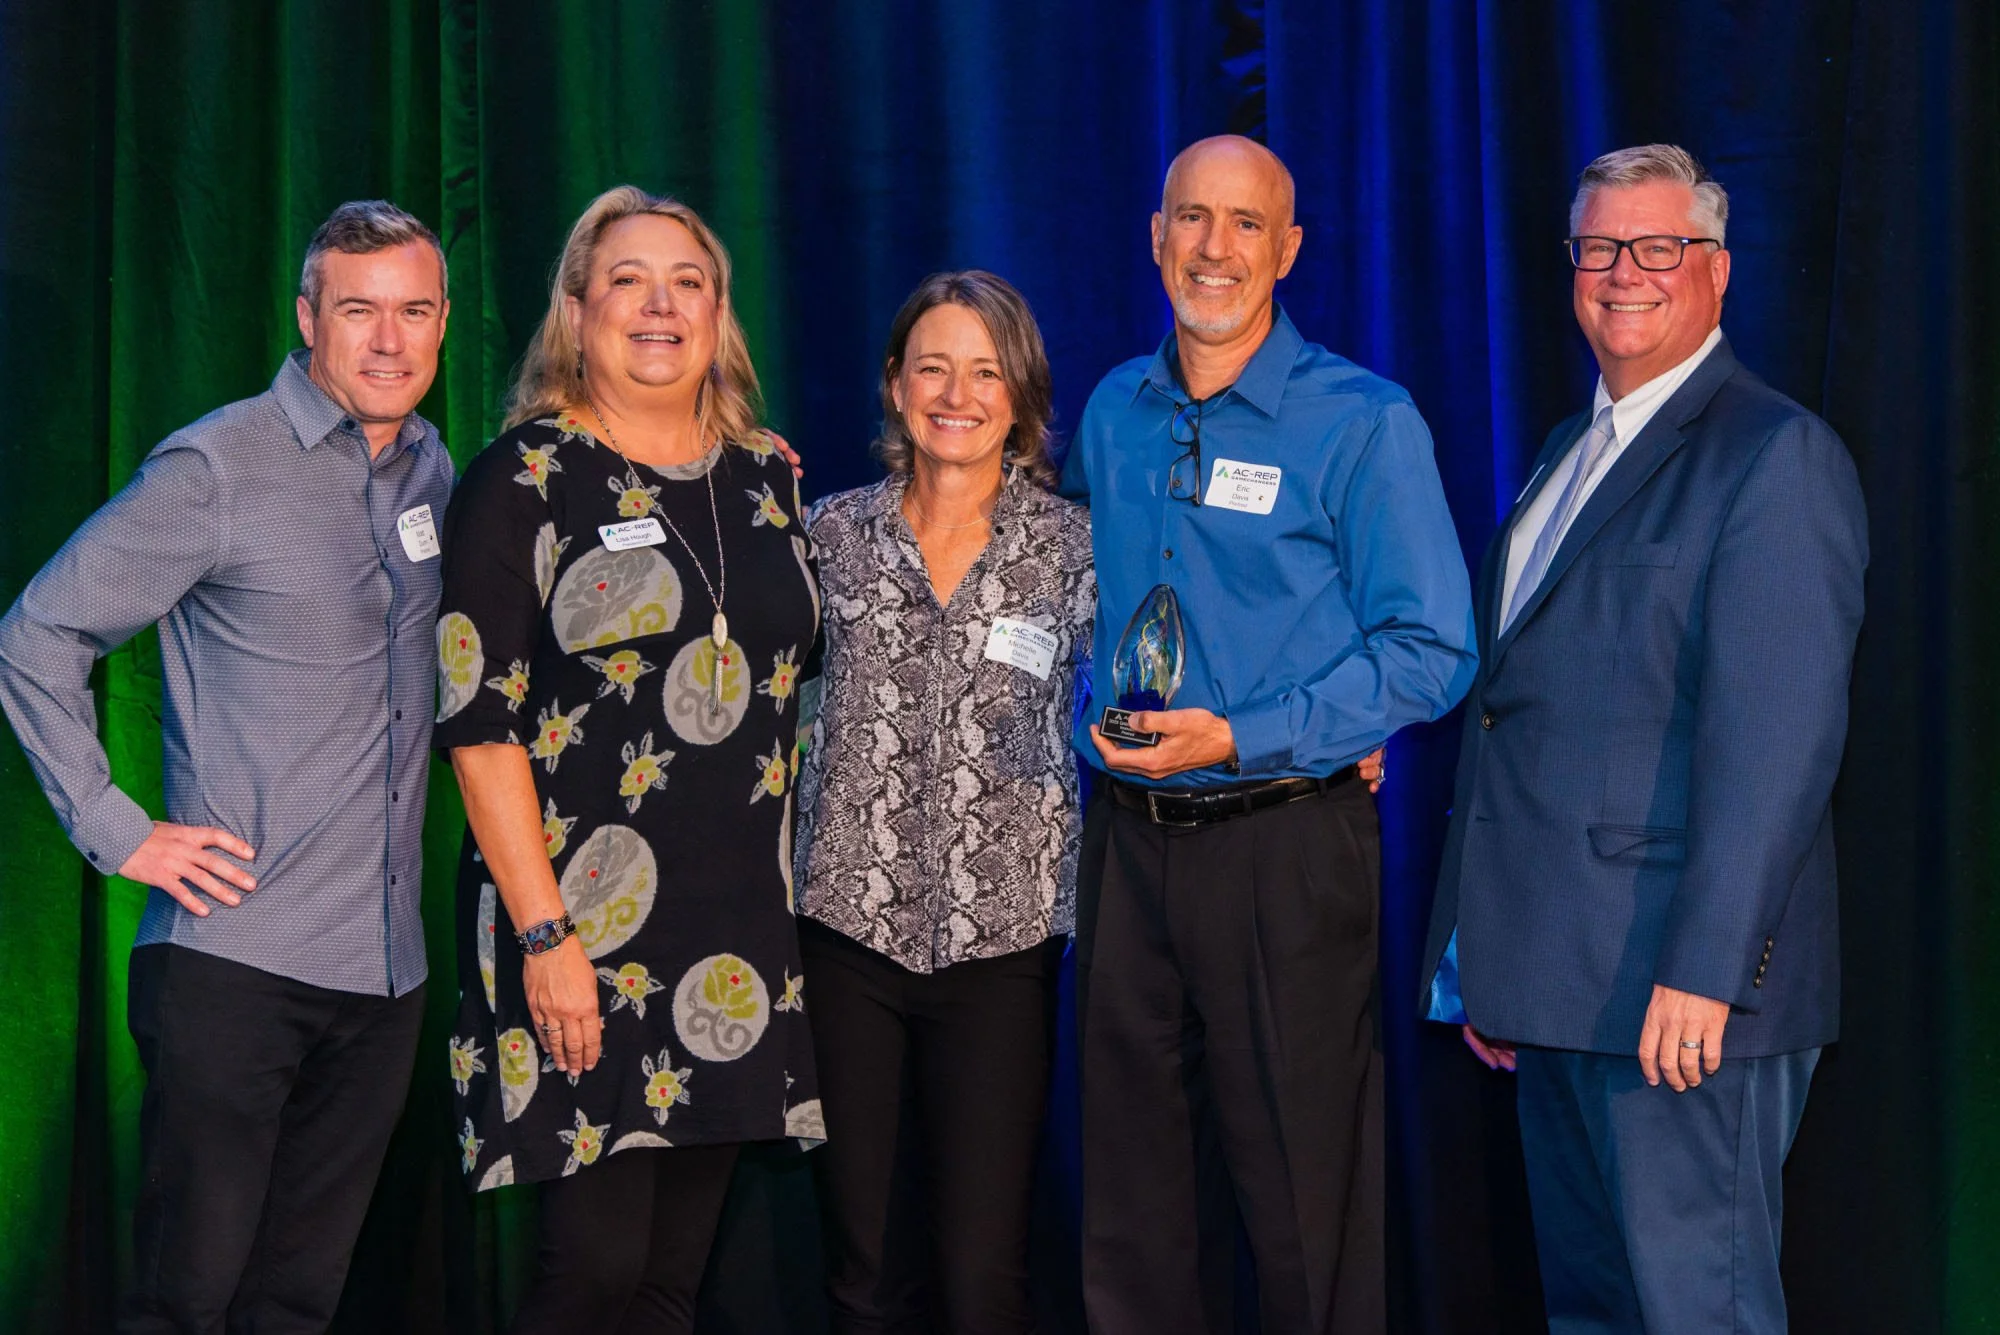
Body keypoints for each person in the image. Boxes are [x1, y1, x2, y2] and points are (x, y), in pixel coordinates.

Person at [1419, 144, 1867, 1332]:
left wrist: (1704, 971)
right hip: (1558, 987)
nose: (1624, 272)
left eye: (1657, 247)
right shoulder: (1567, 453)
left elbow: (1777, 745)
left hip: (1679, 999)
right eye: (1599, 247)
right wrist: (1486, 955)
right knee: (1598, 1313)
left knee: (1694, 1315)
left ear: (1714, 271)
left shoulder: (1773, 455)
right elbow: (1523, 709)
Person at [0, 201, 451, 1331]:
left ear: (443, 325)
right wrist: (119, 830)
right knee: (185, 1302)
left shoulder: (438, 473)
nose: (387, 341)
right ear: (308, 319)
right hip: (235, 966)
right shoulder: (217, 466)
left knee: (296, 1303)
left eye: (412, 311)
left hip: (384, 978)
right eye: (358, 310)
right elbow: (37, 635)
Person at [1060, 135, 1476, 1334]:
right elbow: (1050, 576)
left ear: (1287, 250)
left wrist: (1252, 734)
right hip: (1128, 846)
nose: (1213, 248)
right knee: (1130, 1198)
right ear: (1154, 235)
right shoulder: (1113, 413)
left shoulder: (1361, 420)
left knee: (1302, 1195)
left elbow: (1431, 651)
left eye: (1245, 224)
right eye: (1191, 218)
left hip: (1284, 845)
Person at [435, 185, 821, 1334]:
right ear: (576, 312)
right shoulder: (522, 480)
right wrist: (545, 936)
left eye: (686, 283)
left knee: (667, 1284)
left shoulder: (765, 481)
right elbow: (477, 723)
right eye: (626, 281)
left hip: (730, 942)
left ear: (717, 315)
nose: (659, 306)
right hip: (578, 932)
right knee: (592, 1273)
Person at [792, 270, 1092, 1332]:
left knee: (982, 1270)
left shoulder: (1074, 550)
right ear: (892, 385)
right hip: (842, 937)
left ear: (1019, 395)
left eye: (983, 371)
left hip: (1001, 950)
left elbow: (1176, 677)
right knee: (860, 1265)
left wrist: (1340, 740)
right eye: (932, 368)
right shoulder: (825, 537)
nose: (955, 394)